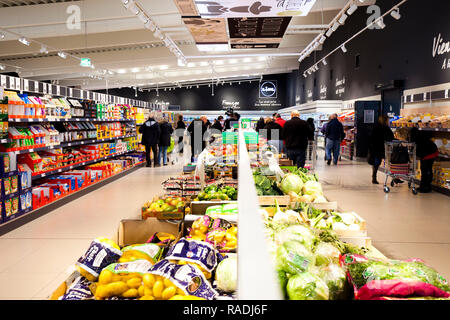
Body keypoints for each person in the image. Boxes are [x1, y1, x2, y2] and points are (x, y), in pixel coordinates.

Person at [410, 127, 439, 193]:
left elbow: (419, 151)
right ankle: (425, 186)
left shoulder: (417, 139)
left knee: (425, 170)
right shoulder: (419, 136)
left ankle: (425, 187)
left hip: (430, 153)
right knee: (426, 170)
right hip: (431, 151)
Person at [368, 115, 394, 184]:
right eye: (388, 120)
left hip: (375, 148)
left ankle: (374, 177)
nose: (389, 121)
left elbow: (371, 137)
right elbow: (391, 137)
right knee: (389, 162)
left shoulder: (375, 127)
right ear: (385, 120)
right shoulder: (386, 128)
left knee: (377, 163)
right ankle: (394, 178)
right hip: (382, 148)